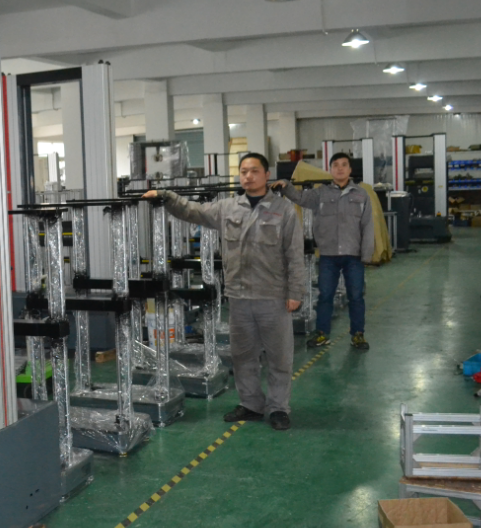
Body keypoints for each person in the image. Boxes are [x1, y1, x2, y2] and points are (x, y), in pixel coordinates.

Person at [143, 153, 304, 431]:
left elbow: (295, 254)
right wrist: (166, 197)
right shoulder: (227, 207)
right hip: (239, 297)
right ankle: (251, 404)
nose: (248, 176)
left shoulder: (284, 210)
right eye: (243, 171)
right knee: (243, 356)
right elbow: (193, 211)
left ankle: (278, 407)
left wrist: (296, 292)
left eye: (254, 171)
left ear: (267, 175)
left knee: (279, 357)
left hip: (273, 296)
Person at [272, 151, 374, 351]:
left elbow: (367, 225)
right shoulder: (320, 193)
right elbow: (300, 198)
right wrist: (286, 185)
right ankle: (322, 333)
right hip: (328, 255)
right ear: (330, 170)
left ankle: (358, 334)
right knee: (325, 295)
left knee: (356, 296)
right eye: (335, 165)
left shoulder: (361, 195)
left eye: (344, 165)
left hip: (353, 255)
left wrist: (367, 254)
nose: (340, 168)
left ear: (350, 170)